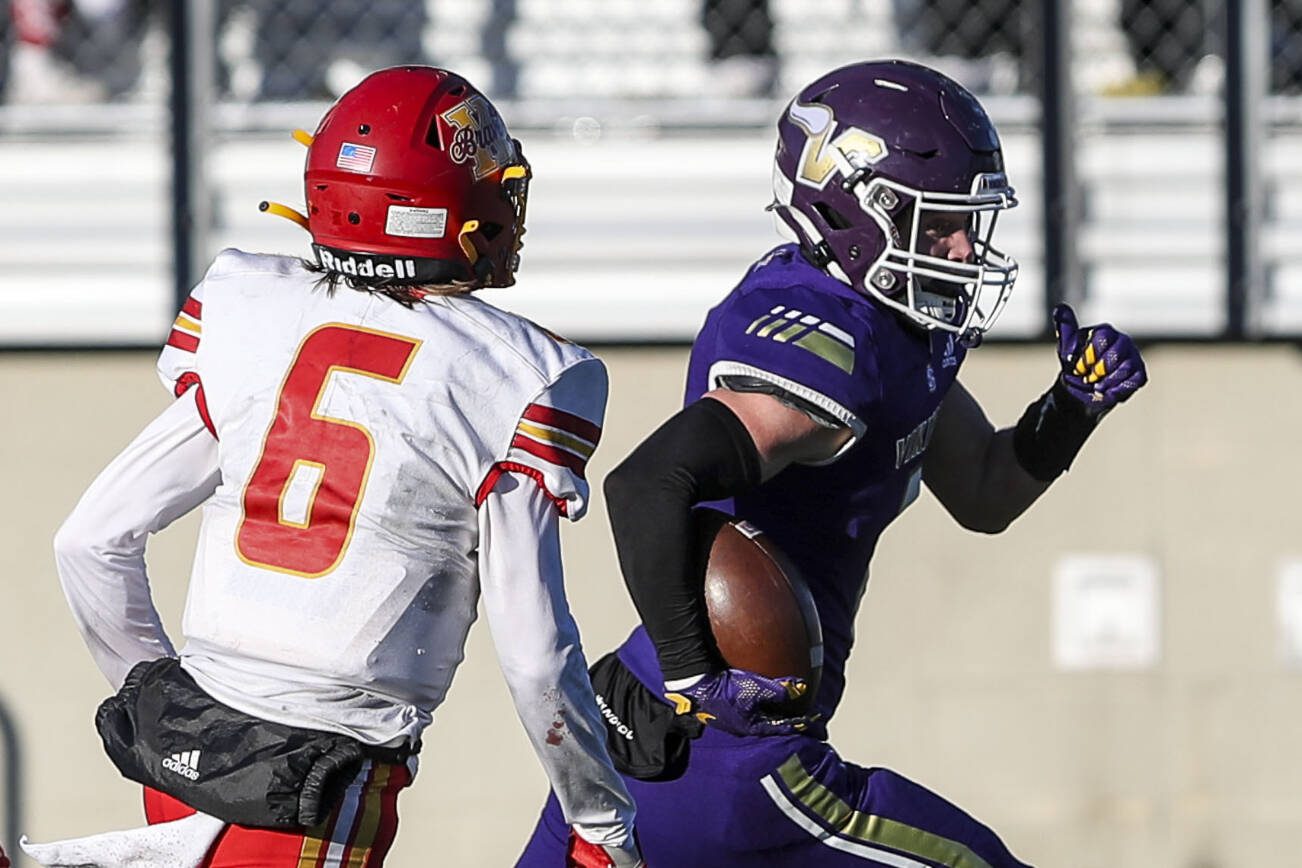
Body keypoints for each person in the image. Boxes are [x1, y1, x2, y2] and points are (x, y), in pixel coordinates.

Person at [519, 59, 1147, 866]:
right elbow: (646, 483)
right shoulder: (835, 351)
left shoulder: (880, 329)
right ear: (858, 212)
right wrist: (696, 680)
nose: (961, 245)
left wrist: (1071, 408)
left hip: (641, 725)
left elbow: (986, 491)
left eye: (966, 221)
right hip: (725, 755)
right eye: (936, 222)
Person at [36, 66, 643, 868]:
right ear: (438, 211)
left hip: (185, 750)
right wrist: (599, 821)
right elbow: (534, 651)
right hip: (319, 775)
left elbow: (89, 541)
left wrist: (162, 702)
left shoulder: (253, 310)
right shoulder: (521, 375)